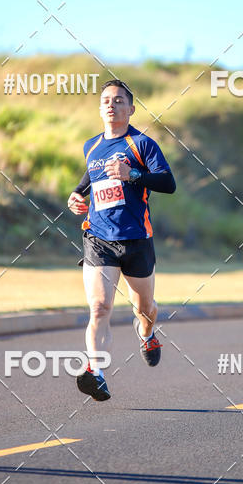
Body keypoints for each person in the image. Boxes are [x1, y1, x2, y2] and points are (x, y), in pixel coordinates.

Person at [67, 79, 176, 400]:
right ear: (100, 108)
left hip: (136, 239)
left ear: (130, 109)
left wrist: (135, 175)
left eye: (118, 101)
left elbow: (168, 183)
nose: (111, 105)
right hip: (98, 237)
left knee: (145, 308)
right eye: (105, 101)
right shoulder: (91, 146)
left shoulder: (142, 144)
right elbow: (93, 174)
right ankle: (96, 372)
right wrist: (76, 194)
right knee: (99, 307)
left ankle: (146, 333)